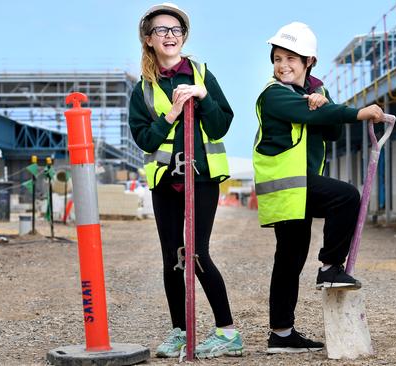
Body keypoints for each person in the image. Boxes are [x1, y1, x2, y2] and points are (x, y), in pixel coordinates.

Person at [253, 22, 385, 354]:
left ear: (309, 61)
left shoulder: (312, 93)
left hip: (297, 188)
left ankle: (281, 335)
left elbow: (331, 133)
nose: (283, 66)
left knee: (289, 258)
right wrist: (358, 112)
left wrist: (321, 104)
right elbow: (321, 120)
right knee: (346, 196)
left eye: (291, 59)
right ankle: (330, 267)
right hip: (286, 186)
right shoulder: (274, 94)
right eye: (278, 58)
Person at [129, 2, 242, 359]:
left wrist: (203, 96)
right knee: (171, 258)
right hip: (166, 182)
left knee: (196, 253)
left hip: (202, 177)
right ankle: (180, 331)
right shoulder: (143, 90)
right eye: (161, 30)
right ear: (148, 39)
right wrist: (173, 113)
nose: (170, 35)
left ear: (184, 36)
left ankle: (227, 332)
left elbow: (222, 123)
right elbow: (145, 139)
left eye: (176, 30)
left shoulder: (201, 73)